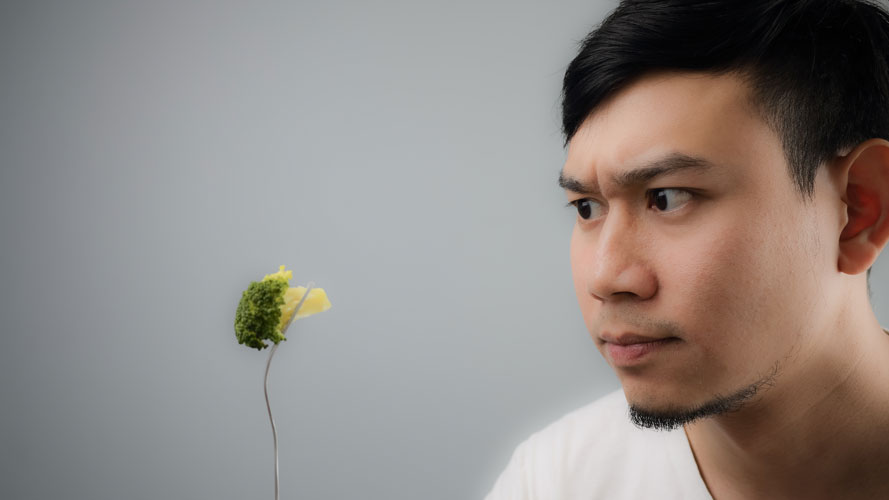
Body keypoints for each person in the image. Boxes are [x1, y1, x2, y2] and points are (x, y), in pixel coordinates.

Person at [485, 0, 889, 498]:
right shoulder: (555, 480)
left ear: (859, 210)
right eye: (587, 207)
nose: (606, 278)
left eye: (668, 198)